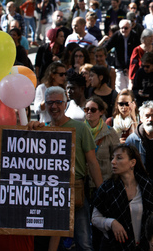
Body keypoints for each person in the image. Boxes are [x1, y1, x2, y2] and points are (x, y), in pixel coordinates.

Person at [41, 86, 103, 251]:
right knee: (53, 242)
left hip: (76, 191)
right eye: (50, 103)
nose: (54, 106)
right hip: (50, 193)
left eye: (58, 102)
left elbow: (92, 162)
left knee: (84, 242)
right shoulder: (42, 130)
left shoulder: (81, 128)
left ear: (66, 103)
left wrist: (102, 192)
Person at [92, 143, 153, 250]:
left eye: (119, 158)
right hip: (114, 246)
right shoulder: (107, 188)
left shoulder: (148, 186)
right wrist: (111, 223)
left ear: (132, 162)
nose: (113, 162)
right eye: (112, 158)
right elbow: (95, 218)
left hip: (143, 245)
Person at [84, 97, 119, 183]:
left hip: (104, 182)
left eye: (93, 110)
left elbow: (116, 158)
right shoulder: (79, 131)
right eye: (86, 109)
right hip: (84, 182)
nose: (89, 112)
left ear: (101, 112)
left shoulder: (110, 133)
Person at [100, 20, 141, 92]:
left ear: (130, 28)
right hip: (119, 68)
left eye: (126, 28)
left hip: (132, 68)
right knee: (120, 91)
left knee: (131, 90)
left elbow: (138, 51)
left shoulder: (135, 36)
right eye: (122, 28)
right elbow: (106, 47)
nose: (123, 30)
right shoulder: (116, 35)